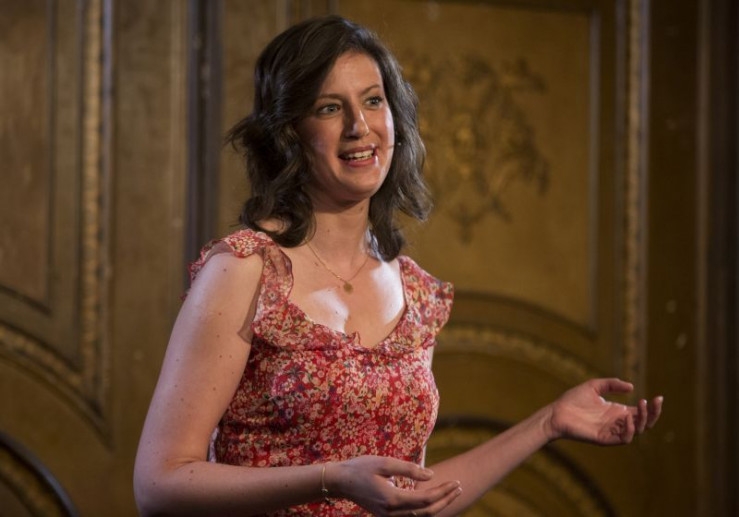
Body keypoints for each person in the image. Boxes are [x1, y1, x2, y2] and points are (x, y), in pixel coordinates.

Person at [133, 15, 663, 517]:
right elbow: (159, 482)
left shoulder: (412, 289)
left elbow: (414, 496)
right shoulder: (245, 270)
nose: (359, 126)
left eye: (373, 101)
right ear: (289, 133)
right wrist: (332, 478)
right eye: (329, 108)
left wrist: (548, 423)